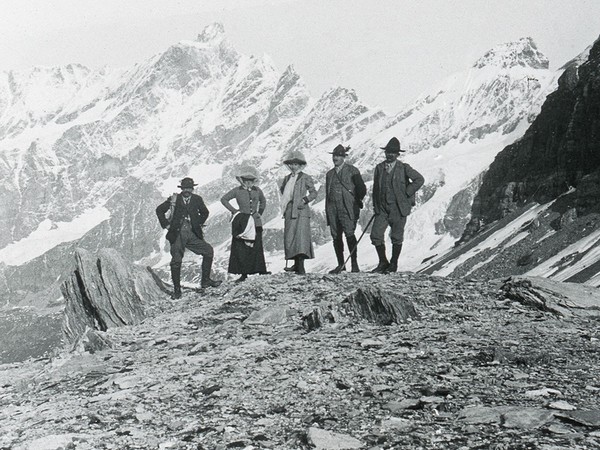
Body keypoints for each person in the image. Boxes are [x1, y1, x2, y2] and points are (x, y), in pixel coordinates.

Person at [156, 177, 221, 299]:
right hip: (177, 234)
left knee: (208, 251)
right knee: (176, 261)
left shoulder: (197, 199)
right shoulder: (173, 199)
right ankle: (177, 290)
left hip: (192, 233)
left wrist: (197, 223)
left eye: (189, 188)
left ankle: (205, 281)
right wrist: (166, 225)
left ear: (192, 189)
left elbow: (205, 212)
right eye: (185, 188)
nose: (187, 190)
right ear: (182, 189)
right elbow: (159, 210)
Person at [370, 137, 424, 274]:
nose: (390, 154)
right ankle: (383, 262)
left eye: (393, 152)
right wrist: (376, 206)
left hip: (398, 208)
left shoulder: (404, 168)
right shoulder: (379, 168)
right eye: (388, 152)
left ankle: (393, 264)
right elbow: (376, 189)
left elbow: (419, 179)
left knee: (396, 236)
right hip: (382, 209)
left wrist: (407, 192)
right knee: (376, 234)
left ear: (398, 154)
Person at [221, 166, 268, 282]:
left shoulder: (258, 190)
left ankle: (260, 270)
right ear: (242, 180)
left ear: (254, 181)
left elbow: (263, 201)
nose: (248, 183)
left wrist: (259, 213)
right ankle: (243, 273)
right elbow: (224, 199)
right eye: (246, 181)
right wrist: (234, 211)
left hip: (255, 221)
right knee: (241, 247)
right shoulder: (237, 191)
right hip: (242, 221)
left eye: (251, 181)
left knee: (257, 244)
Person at [325, 144, 367, 273]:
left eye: (338, 156)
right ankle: (341, 265)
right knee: (336, 236)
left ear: (344, 157)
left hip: (347, 207)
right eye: (334, 155)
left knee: (349, 234)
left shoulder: (352, 170)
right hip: (333, 209)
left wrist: (355, 201)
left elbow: (361, 188)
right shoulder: (330, 174)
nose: (335, 158)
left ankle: (354, 264)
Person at [279, 150, 318, 275]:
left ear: (300, 165)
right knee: (291, 237)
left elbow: (313, 192)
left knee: (300, 238)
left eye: (296, 164)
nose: (293, 166)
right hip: (290, 210)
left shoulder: (305, 178)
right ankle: (295, 264)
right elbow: (283, 191)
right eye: (291, 164)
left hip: (301, 211)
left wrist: (304, 200)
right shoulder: (286, 179)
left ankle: (301, 266)